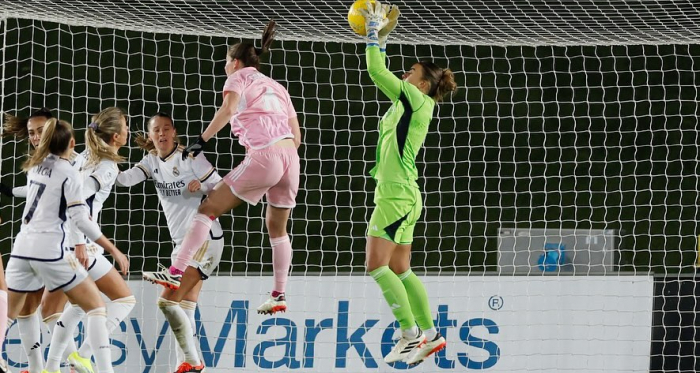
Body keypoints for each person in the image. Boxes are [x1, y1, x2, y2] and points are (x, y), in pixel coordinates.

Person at [167, 19, 302, 316]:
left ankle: (176, 271)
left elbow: (228, 110)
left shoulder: (237, 78)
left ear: (236, 61)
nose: (225, 66)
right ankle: (279, 293)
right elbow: (298, 135)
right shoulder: (277, 86)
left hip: (265, 154)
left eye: (227, 61)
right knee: (277, 228)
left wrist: (201, 140)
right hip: (291, 157)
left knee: (208, 208)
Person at [360, 1, 457, 366]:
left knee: (376, 266)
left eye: (411, 70)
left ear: (422, 83)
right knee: (401, 269)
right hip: (403, 193)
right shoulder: (407, 104)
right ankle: (431, 336)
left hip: (396, 194)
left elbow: (374, 70)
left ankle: (409, 332)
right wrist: (382, 39)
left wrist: (372, 33)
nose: (404, 73)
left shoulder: (417, 101)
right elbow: (383, 70)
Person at [5, 118, 120, 373]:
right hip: (50, 252)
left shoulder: (34, 167)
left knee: (11, 313)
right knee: (96, 307)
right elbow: (80, 218)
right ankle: (90, 366)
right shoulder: (70, 173)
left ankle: (43, 368)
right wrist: (113, 249)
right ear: (72, 143)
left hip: (21, 250)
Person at [116, 112, 224, 373]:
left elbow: (222, 188)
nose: (162, 134)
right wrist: (104, 158)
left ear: (174, 132)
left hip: (205, 240)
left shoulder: (191, 158)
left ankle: (194, 362)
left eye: (166, 129)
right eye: (156, 130)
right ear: (151, 136)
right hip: (181, 246)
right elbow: (123, 180)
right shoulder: (151, 160)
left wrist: (205, 187)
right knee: (185, 307)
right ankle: (184, 365)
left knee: (167, 302)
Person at [44, 107, 133, 373]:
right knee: (124, 301)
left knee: (79, 306)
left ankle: (52, 366)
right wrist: (81, 242)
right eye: (126, 126)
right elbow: (77, 199)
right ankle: (83, 357)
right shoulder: (106, 166)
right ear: (116, 136)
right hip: (81, 244)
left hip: (64, 241)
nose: (129, 130)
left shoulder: (86, 156)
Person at [1, 108, 77, 373]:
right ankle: (42, 367)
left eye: (40, 131)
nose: (35, 137)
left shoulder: (70, 161)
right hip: (36, 245)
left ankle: (80, 360)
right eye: (31, 133)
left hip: (64, 245)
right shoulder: (38, 162)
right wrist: (9, 190)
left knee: (63, 308)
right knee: (27, 309)